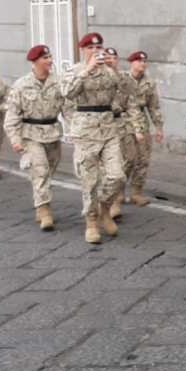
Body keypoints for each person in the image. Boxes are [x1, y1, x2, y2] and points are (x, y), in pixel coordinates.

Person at [60, 32, 125, 244]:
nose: (96, 52)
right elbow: (67, 93)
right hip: (86, 129)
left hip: (108, 128)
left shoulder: (109, 71)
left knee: (117, 176)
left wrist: (115, 70)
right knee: (89, 181)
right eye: (90, 48)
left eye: (99, 48)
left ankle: (104, 207)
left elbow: (126, 93)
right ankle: (92, 222)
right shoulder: (75, 70)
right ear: (83, 50)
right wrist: (87, 71)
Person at [3, 45, 65, 231]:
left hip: (53, 133)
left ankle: (41, 202)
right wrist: (15, 140)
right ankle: (45, 210)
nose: (50, 61)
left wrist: (77, 131)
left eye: (50, 57)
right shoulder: (22, 85)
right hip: (31, 135)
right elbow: (12, 116)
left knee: (48, 172)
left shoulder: (59, 83)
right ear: (35, 61)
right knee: (40, 171)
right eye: (45, 58)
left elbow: (68, 110)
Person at [102, 48, 142, 222]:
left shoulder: (124, 78)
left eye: (114, 58)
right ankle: (112, 202)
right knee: (111, 165)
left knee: (131, 159)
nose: (111, 61)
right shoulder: (97, 77)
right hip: (105, 125)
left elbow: (132, 101)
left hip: (123, 123)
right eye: (107, 58)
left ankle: (117, 191)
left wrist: (138, 128)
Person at [126, 51, 164, 206]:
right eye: (139, 61)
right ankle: (117, 192)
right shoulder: (123, 80)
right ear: (131, 63)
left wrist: (159, 126)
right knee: (127, 159)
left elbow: (153, 106)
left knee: (143, 159)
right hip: (125, 122)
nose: (142, 64)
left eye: (144, 61)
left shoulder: (149, 83)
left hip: (142, 121)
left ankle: (136, 192)